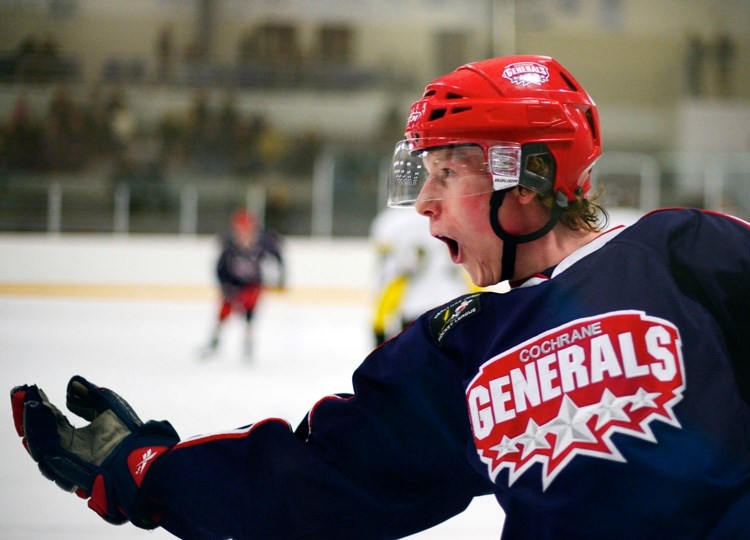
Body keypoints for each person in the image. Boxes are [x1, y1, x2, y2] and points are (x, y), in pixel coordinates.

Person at [9, 55, 750, 539]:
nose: (423, 205)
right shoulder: (461, 347)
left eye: (445, 175)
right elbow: (321, 479)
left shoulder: (686, 252)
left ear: (527, 179)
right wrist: (151, 471)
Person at [370, 206, 473, 345]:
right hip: (451, 306)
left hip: (412, 309)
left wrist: (379, 329)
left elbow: (392, 277)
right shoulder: (454, 214)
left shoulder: (391, 221)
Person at [200, 208, 285, 359]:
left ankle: (248, 340)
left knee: (250, 310)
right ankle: (216, 338)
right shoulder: (229, 246)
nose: (244, 234)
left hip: (252, 284)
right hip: (233, 283)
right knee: (224, 310)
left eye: (247, 229)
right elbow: (220, 268)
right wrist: (224, 285)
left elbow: (277, 257)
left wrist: (281, 276)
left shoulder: (263, 243)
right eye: (241, 230)